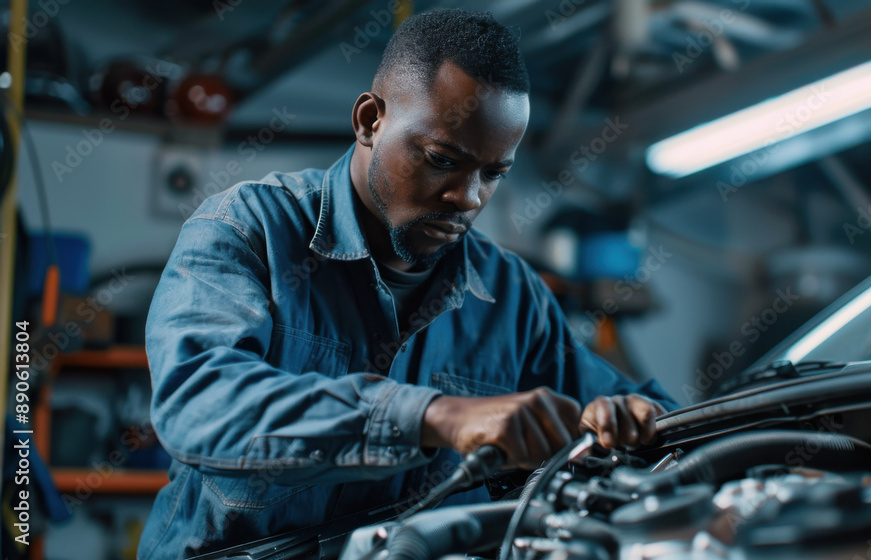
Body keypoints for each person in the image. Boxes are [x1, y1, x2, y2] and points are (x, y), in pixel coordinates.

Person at [138, 8, 677, 559]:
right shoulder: (250, 230)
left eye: (494, 174)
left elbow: (647, 413)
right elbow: (196, 402)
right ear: (370, 120)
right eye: (444, 159)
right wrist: (435, 416)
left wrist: (630, 420)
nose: (469, 198)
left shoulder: (511, 298)